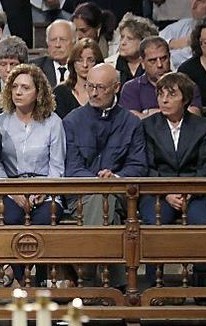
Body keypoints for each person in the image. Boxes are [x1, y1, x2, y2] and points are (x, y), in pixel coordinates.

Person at [63, 63, 147, 288]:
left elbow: (138, 166)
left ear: (116, 87)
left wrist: (115, 177)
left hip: (119, 191)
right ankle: (118, 285)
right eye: (90, 86)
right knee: (103, 202)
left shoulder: (131, 122)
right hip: (81, 193)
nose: (93, 93)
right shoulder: (72, 121)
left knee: (107, 200)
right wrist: (97, 182)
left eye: (100, 87)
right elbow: (71, 168)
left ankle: (85, 276)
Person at [139, 72, 206, 286]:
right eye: (160, 94)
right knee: (155, 221)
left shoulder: (202, 126)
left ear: (185, 99)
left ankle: (202, 283)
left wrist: (188, 192)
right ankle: (155, 284)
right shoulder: (148, 126)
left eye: (171, 95)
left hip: (195, 192)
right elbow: (147, 167)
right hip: (158, 191)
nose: (164, 100)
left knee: (202, 222)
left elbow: (205, 166)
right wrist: (167, 193)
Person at [0, 63, 65, 286]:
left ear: (39, 92)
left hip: (46, 190)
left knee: (44, 220)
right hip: (10, 190)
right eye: (14, 86)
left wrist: (43, 191)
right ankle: (20, 279)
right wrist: (13, 192)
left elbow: (57, 167)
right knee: (12, 217)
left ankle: (39, 278)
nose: (18, 92)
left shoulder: (53, 123)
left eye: (25, 87)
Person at [121, 37, 202, 119]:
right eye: (153, 61)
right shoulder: (131, 88)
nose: (159, 65)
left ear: (169, 57)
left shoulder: (187, 85)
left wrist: (147, 113)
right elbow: (131, 121)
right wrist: (175, 111)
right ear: (142, 63)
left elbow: (194, 116)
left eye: (163, 58)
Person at [54, 38, 106, 118]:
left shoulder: (106, 92)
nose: (85, 65)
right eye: (79, 60)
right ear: (73, 63)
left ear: (98, 63)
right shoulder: (60, 93)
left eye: (90, 60)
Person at [109, 15, 159, 85]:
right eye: (122, 37)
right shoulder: (108, 65)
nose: (123, 43)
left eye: (129, 39)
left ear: (143, 41)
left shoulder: (159, 63)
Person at [31, 20, 75, 87]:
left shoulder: (81, 68)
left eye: (63, 39)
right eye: (53, 40)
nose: (57, 45)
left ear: (74, 42)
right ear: (47, 42)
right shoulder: (35, 68)